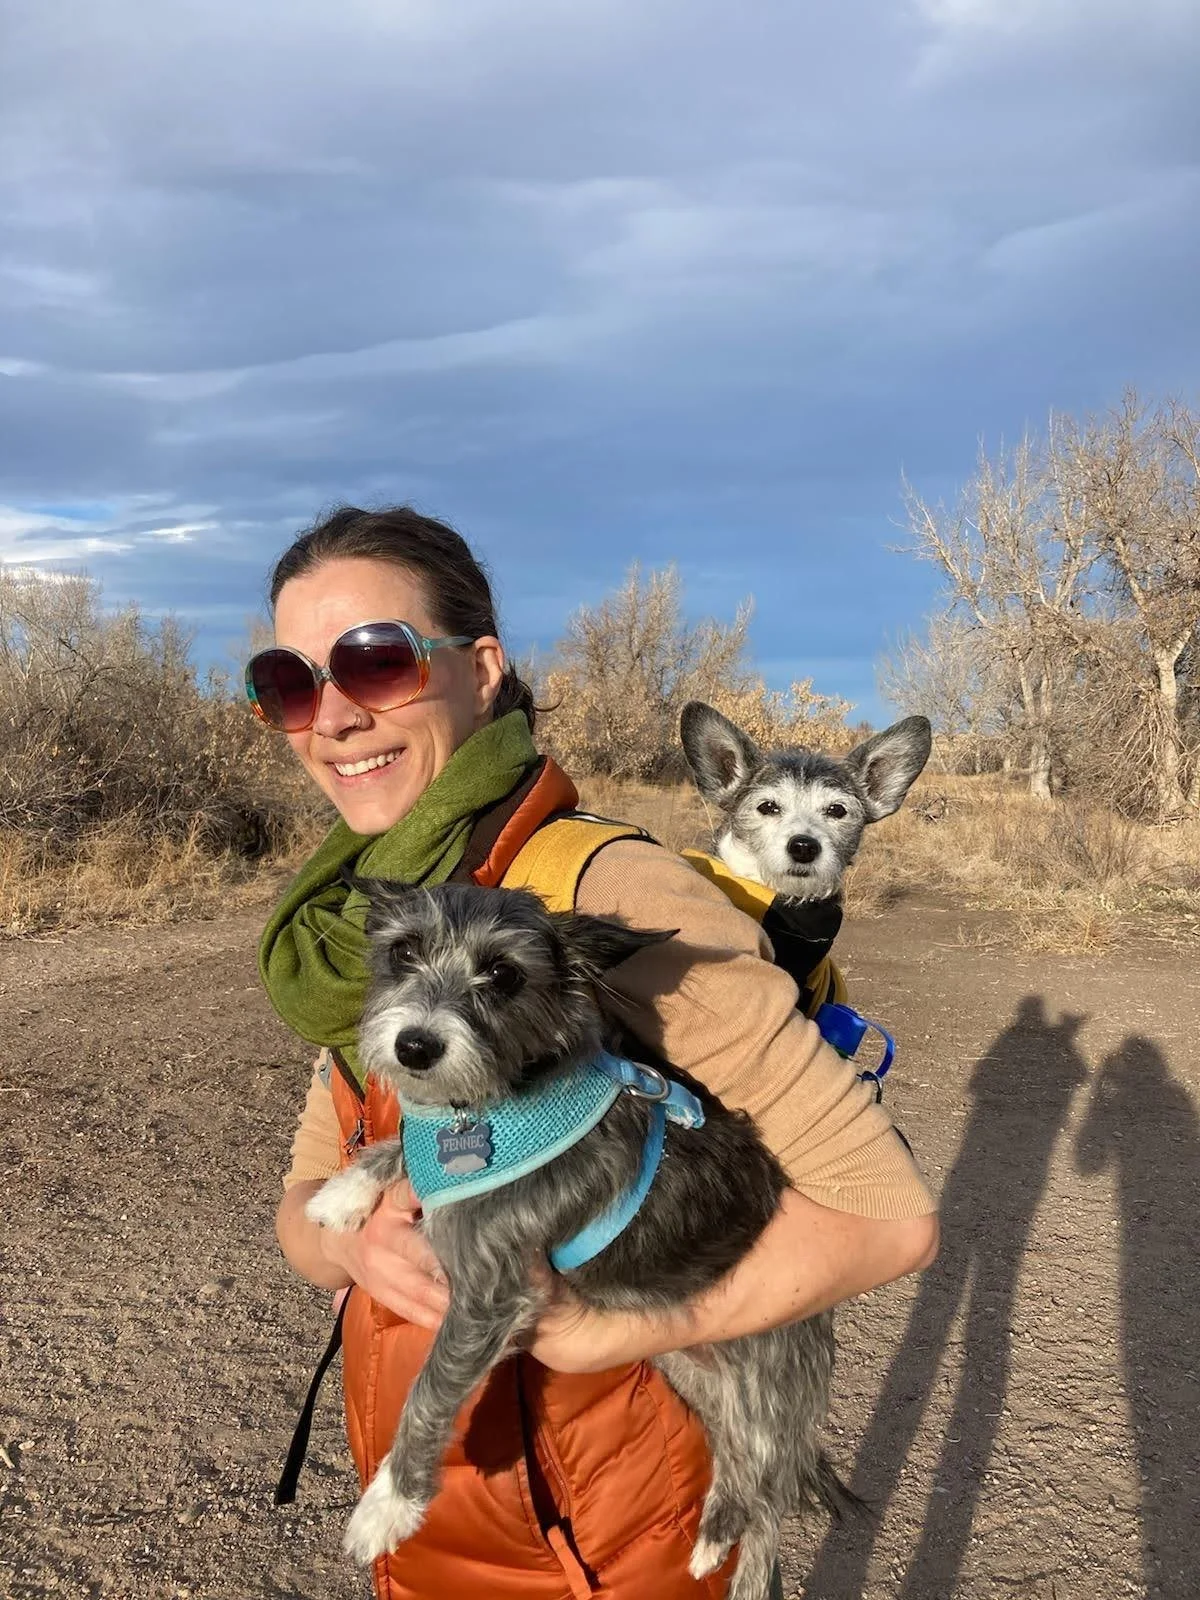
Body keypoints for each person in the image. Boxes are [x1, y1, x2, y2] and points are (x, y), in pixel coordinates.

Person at [254, 504, 939, 1600]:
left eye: (375, 661)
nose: (332, 714)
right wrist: (350, 1250)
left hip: (607, 1548)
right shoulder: (374, 923)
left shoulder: (609, 892)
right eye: (291, 683)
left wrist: (598, 1326)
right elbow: (304, 1197)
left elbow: (887, 1220)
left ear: (482, 669)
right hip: (437, 1537)